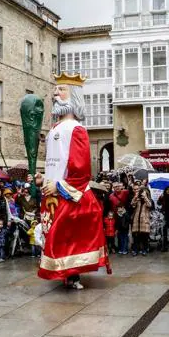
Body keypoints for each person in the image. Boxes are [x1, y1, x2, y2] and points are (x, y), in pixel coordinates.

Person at [37, 73, 110, 289]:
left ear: (73, 96)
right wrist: (43, 178)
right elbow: (55, 163)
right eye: (55, 89)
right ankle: (63, 271)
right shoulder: (54, 130)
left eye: (61, 90)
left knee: (67, 236)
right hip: (51, 194)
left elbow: (80, 169)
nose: (55, 93)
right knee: (53, 235)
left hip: (68, 194)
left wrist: (59, 185)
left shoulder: (76, 129)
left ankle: (73, 273)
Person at [130, 186, 152, 256]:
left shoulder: (149, 200)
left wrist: (145, 197)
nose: (142, 194)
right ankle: (135, 250)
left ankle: (144, 250)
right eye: (142, 193)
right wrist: (136, 197)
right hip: (136, 220)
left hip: (144, 220)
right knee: (136, 236)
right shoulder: (138, 200)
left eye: (144, 193)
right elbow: (132, 204)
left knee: (144, 236)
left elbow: (150, 205)